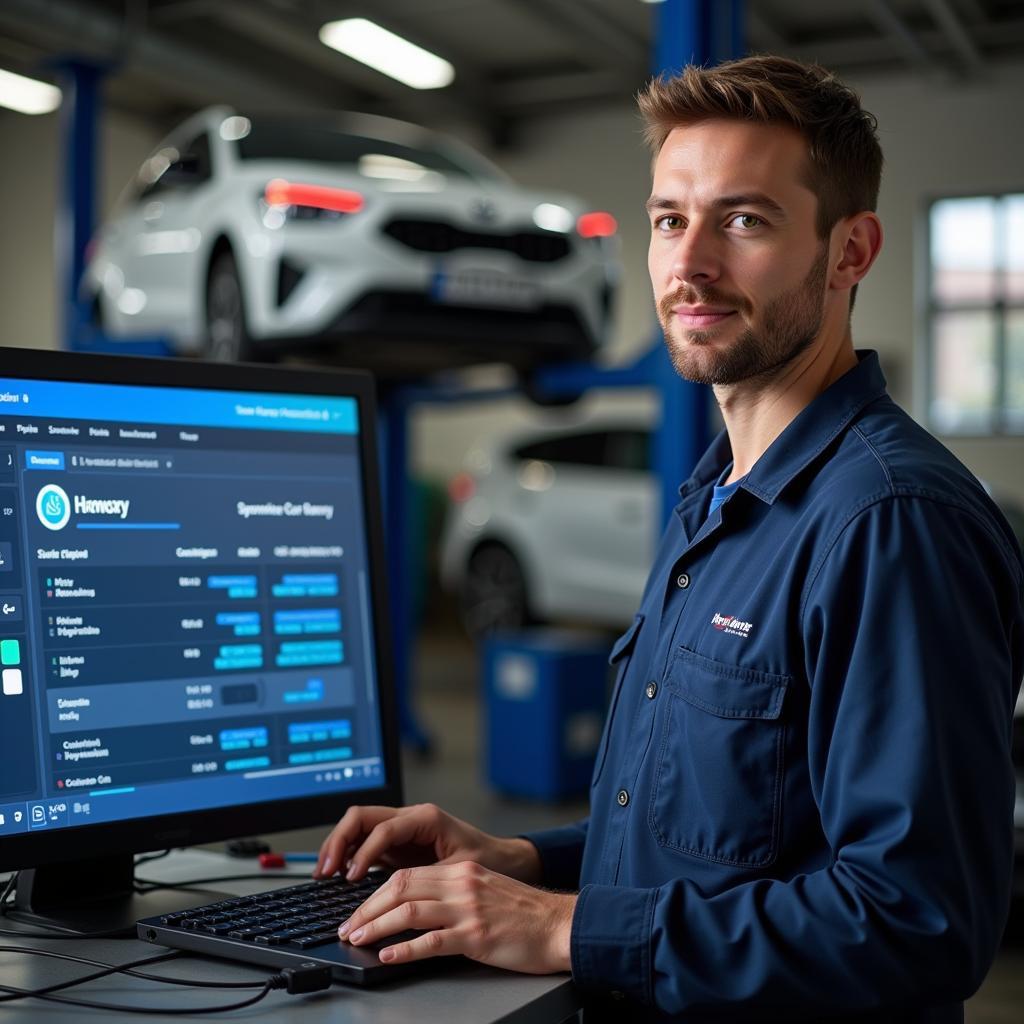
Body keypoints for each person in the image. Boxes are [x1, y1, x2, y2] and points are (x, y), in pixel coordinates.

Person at [313, 56, 1024, 1021]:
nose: (689, 263)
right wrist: (526, 863)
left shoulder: (889, 522)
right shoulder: (714, 501)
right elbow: (719, 841)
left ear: (851, 251)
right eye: (668, 220)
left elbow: (915, 925)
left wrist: (561, 928)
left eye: (743, 220)